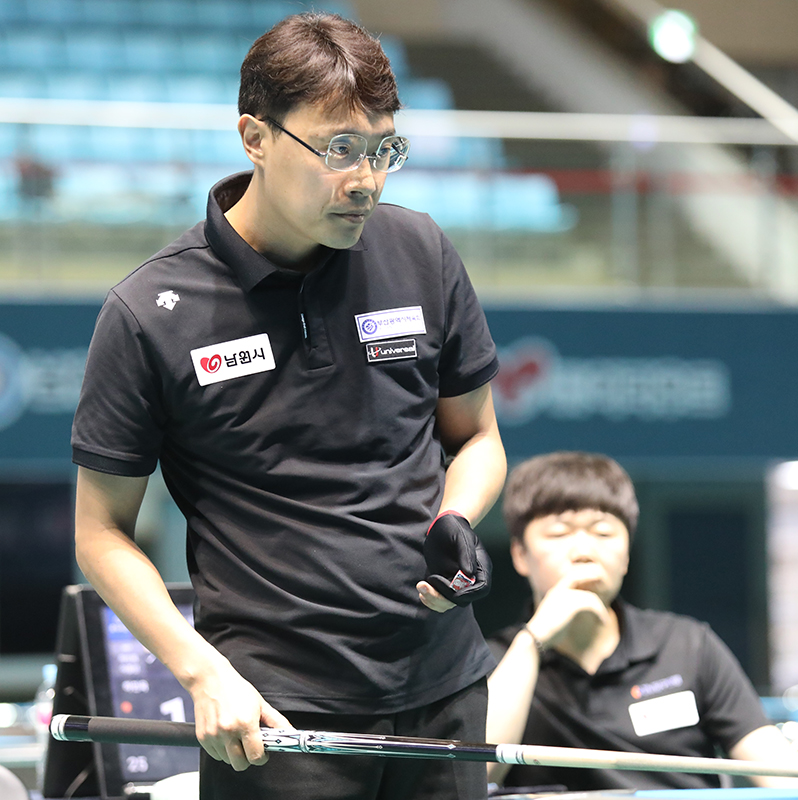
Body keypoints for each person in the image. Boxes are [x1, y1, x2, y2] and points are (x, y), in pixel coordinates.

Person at [70, 13, 506, 800]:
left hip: (443, 693)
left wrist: (457, 517)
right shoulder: (150, 312)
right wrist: (202, 674)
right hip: (273, 715)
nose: (366, 179)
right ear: (255, 137)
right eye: (339, 148)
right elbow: (100, 533)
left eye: (383, 150)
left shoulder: (422, 251)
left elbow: (477, 437)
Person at [486, 452, 798, 792]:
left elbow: (775, 765)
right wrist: (532, 642)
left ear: (626, 555)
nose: (583, 551)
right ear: (520, 554)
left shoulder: (688, 645)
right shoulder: (493, 661)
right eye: (559, 533)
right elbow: (482, 772)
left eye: (603, 533)